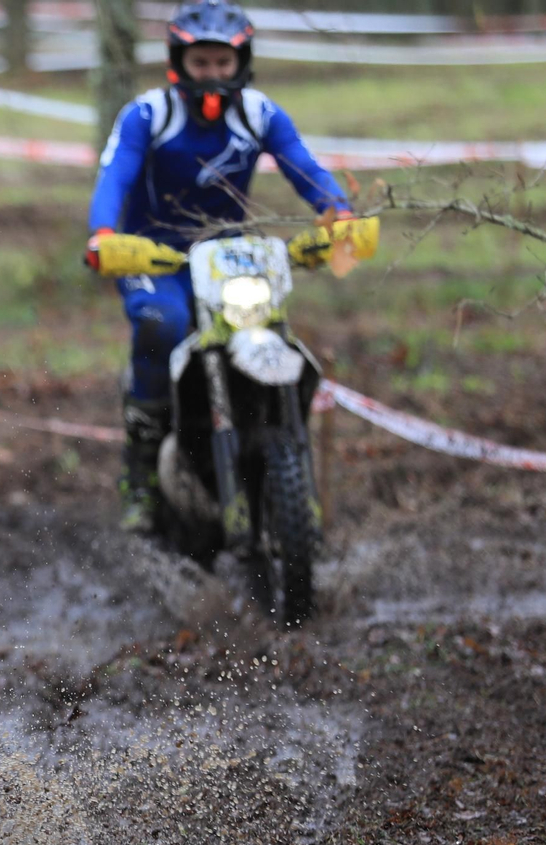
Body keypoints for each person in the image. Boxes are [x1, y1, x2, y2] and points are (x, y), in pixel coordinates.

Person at [86, 0, 374, 533]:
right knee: (163, 324)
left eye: (223, 63)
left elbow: (304, 168)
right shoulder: (149, 115)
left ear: (241, 62)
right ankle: (142, 473)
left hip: (229, 254)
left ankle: (273, 446)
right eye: (202, 64)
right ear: (179, 62)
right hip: (155, 255)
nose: (213, 75)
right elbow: (115, 178)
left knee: (267, 328)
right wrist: (104, 235)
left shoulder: (260, 114)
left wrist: (339, 217)